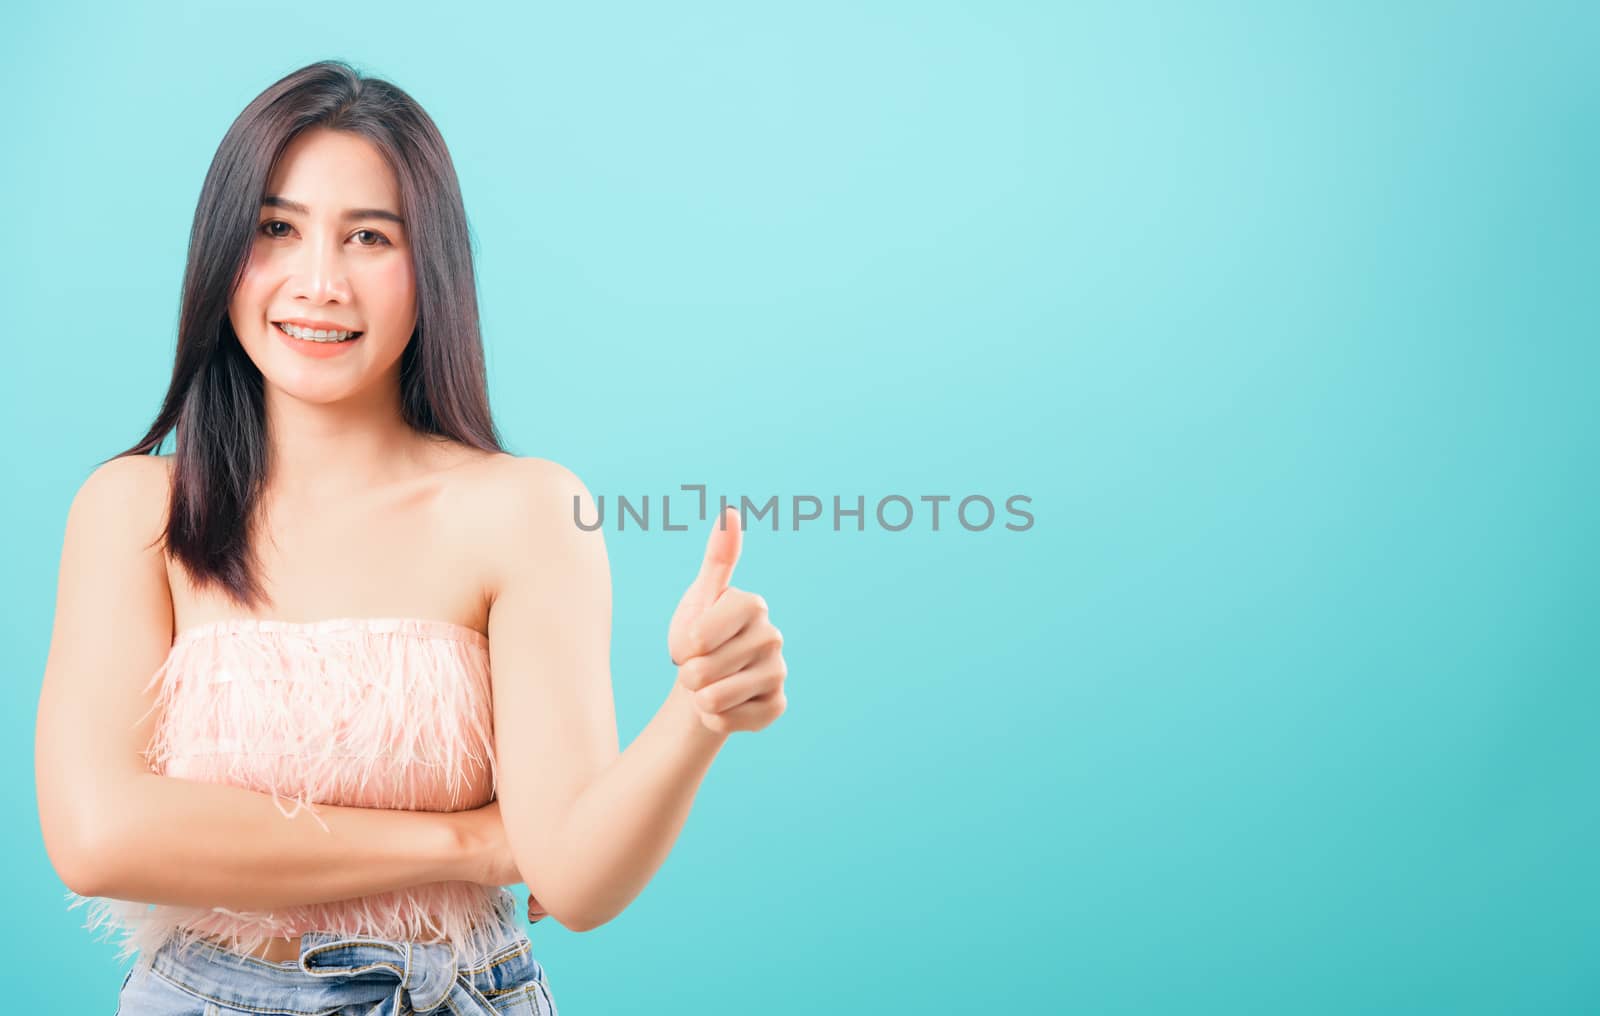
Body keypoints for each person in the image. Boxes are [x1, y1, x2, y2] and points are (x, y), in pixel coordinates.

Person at [33, 59, 788, 1015]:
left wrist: (697, 714)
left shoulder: (526, 510)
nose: (319, 283)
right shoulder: (140, 510)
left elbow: (581, 881)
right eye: (276, 229)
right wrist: (475, 843)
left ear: (429, 269)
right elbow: (97, 837)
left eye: (368, 238)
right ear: (222, 250)